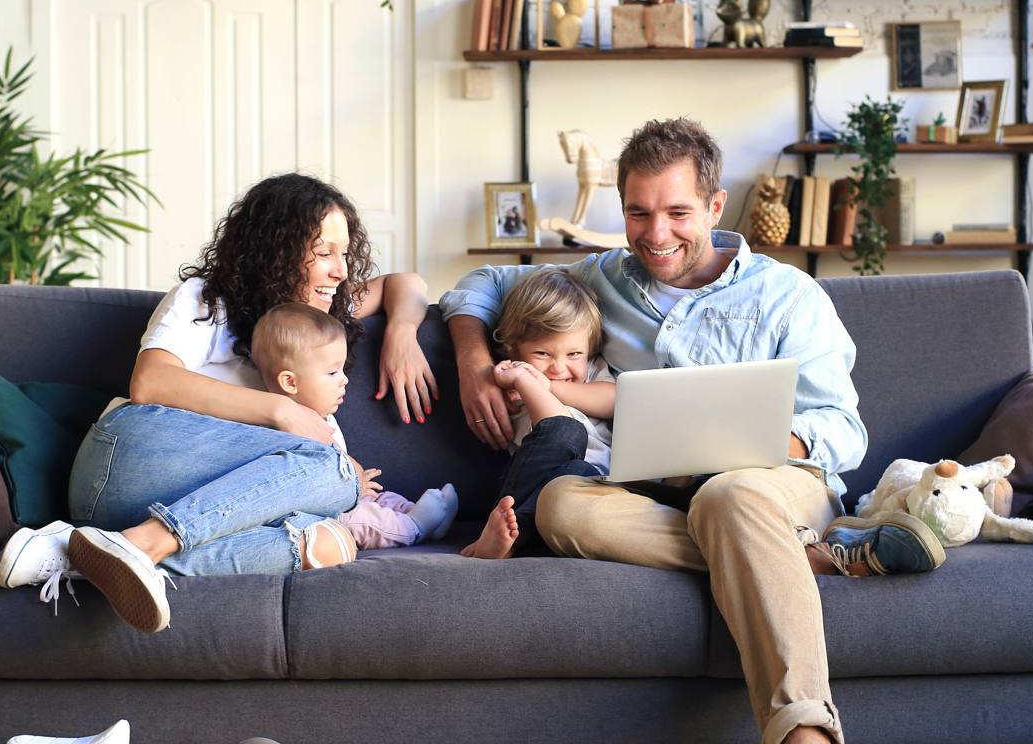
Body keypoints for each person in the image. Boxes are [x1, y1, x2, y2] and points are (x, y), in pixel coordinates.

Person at [439, 118, 945, 744]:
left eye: (678, 212)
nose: (656, 235)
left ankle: (803, 731)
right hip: (648, 491)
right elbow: (482, 285)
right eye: (638, 212)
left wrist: (749, 446)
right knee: (563, 506)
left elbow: (842, 429)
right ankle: (799, 556)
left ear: (714, 205)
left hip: (771, 483)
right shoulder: (600, 278)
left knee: (729, 495)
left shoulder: (789, 295)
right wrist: (473, 361)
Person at [0, 172, 438, 634]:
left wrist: (402, 335)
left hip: (180, 511)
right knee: (335, 469)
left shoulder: (318, 314)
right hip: (126, 464)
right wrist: (283, 412)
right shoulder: (207, 301)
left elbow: (404, 283)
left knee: (331, 541)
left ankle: (81, 554)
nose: (342, 271)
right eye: (324, 254)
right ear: (276, 251)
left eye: (344, 254)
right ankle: (145, 543)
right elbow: (150, 381)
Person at [250, 302, 458, 549]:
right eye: (332, 373)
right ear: (290, 382)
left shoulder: (322, 416)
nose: (345, 379)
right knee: (360, 520)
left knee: (381, 499)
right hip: (322, 513)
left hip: (346, 495)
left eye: (342, 369)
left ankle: (425, 518)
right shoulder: (284, 428)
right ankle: (414, 528)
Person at [463, 268, 615, 559]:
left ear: (590, 348)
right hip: (534, 484)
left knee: (581, 472)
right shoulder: (511, 378)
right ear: (513, 347)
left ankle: (512, 544)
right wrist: (524, 380)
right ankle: (502, 537)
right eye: (543, 354)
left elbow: (615, 399)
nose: (559, 368)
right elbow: (560, 426)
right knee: (565, 433)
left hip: (588, 488)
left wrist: (546, 384)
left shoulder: (593, 371)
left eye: (574, 354)